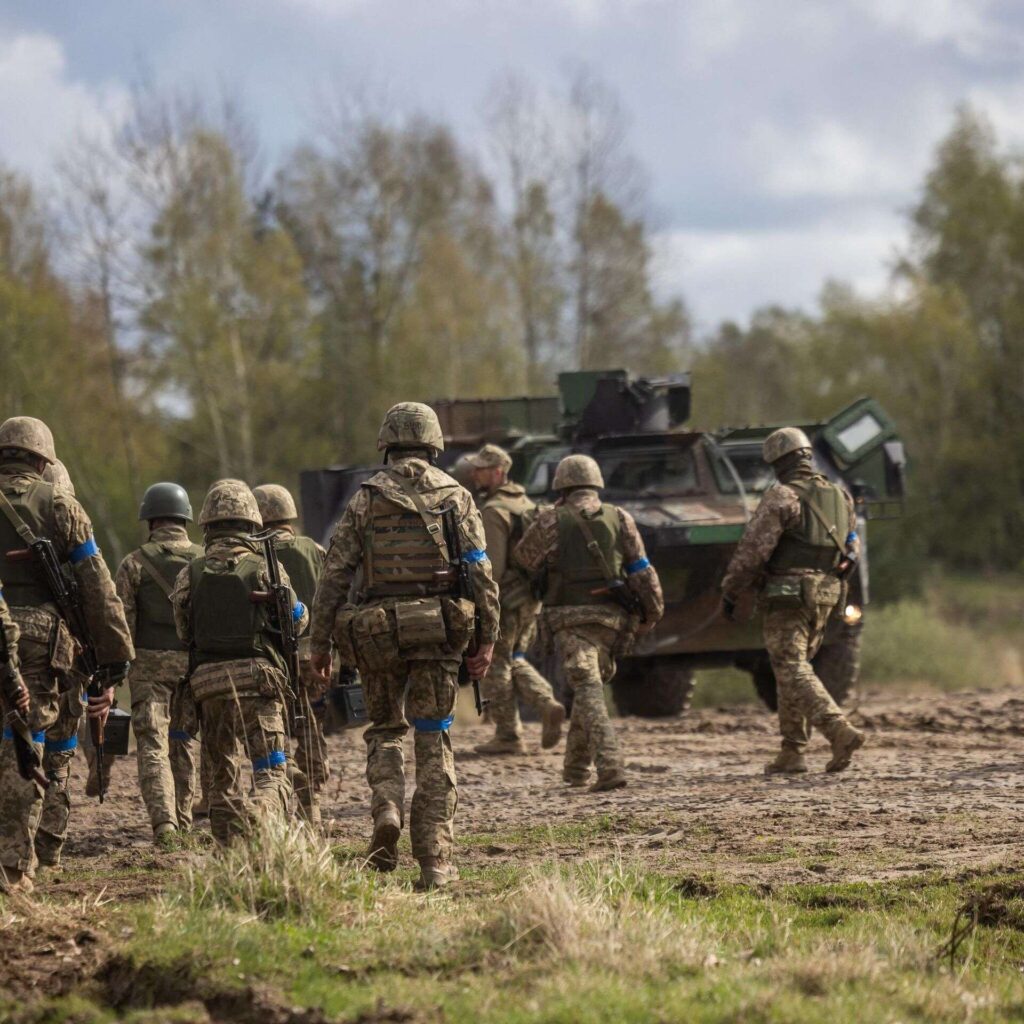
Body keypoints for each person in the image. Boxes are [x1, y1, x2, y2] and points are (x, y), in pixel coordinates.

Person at [309, 403, 499, 890]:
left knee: (386, 728)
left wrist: (321, 643)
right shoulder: (456, 497)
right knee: (433, 736)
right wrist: (488, 639)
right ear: (434, 444)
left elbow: (334, 575)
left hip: (376, 634)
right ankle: (435, 861)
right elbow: (479, 573)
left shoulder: (365, 499)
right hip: (438, 634)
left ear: (387, 444)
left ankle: (387, 808)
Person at [0, 417, 133, 892]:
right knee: (26, 739)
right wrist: (116, 652)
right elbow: (96, 583)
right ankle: (14, 867)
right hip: (39, 638)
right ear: (43, 459)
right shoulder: (60, 503)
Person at [514, 454, 664, 792]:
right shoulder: (619, 517)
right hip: (613, 622)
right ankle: (576, 769)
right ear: (596, 483)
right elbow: (642, 569)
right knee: (588, 685)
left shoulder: (552, 520)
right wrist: (652, 613)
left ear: (562, 487)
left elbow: (524, 559)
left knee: (587, 687)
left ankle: (610, 767)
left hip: (570, 620)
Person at [721, 427, 865, 775]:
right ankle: (792, 750)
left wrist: (732, 588)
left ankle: (838, 730)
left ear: (776, 463)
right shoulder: (840, 496)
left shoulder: (782, 497)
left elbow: (753, 552)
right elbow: (852, 546)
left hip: (788, 594)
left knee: (789, 665)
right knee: (793, 666)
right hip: (826, 594)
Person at [171, 479, 306, 845]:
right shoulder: (267, 568)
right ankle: (261, 811)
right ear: (251, 525)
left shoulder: (190, 572)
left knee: (220, 777)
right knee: (271, 770)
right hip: (257, 681)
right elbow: (295, 620)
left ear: (207, 526)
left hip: (208, 686)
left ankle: (229, 854)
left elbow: (184, 632)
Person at [115, 483, 204, 847]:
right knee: (184, 742)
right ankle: (184, 820)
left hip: (149, 671)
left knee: (152, 744)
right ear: (185, 518)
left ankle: (164, 825)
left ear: (150, 519)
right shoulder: (204, 560)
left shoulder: (134, 563)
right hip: (193, 668)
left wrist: (118, 669)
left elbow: (122, 624)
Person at [465, 444, 564, 755]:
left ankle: (509, 735)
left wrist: (482, 605)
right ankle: (546, 703)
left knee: (496, 662)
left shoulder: (494, 511)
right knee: (514, 658)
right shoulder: (525, 503)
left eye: (481, 469)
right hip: (531, 599)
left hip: (506, 601)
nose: (475, 473)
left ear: (499, 472)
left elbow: (491, 567)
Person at [253, 483, 331, 829]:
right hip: (314, 652)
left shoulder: (252, 552)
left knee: (278, 725)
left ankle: (287, 781)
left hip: (272, 655)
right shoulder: (313, 549)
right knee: (313, 720)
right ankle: (311, 800)